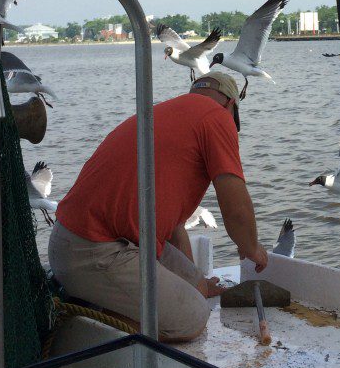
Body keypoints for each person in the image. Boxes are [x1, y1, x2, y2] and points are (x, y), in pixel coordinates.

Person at [49, 73, 268, 342]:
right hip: (94, 250)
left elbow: (173, 225)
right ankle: (79, 320)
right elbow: (235, 205)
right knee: (192, 318)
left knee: (198, 288)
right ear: (231, 105)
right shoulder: (218, 117)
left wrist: (196, 282)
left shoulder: (168, 115)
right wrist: (251, 248)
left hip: (82, 243)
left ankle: (96, 300)